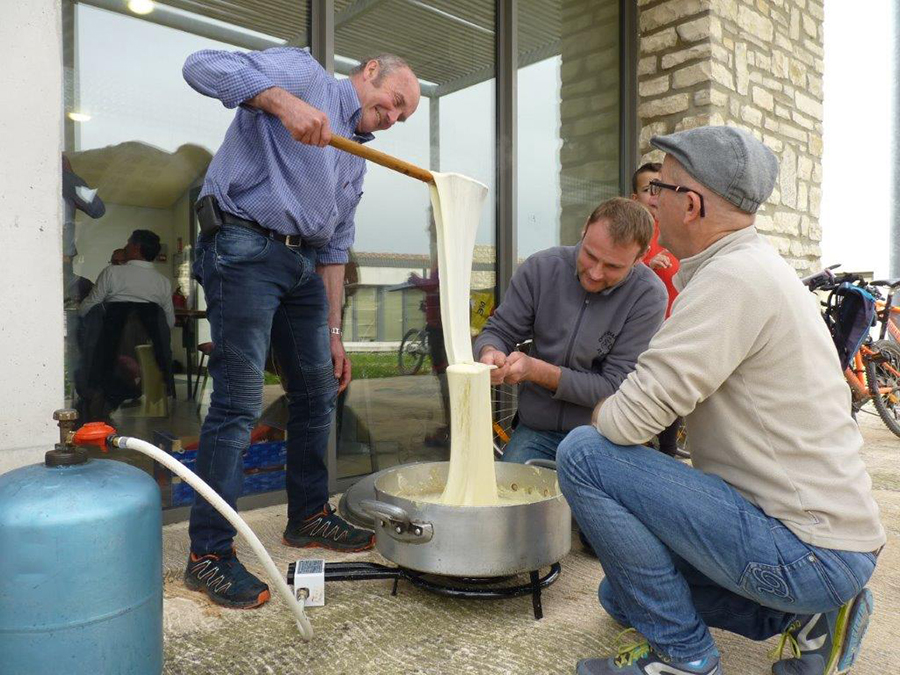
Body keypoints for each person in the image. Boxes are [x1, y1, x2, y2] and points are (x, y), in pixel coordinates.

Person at [557, 127, 884, 675]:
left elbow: (626, 422)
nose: (651, 200)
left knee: (583, 454)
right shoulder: (753, 266)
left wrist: (596, 406)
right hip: (826, 542)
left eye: (659, 187)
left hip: (807, 549)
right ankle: (816, 615)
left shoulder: (732, 280)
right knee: (620, 594)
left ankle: (683, 657)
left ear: (690, 204)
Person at [181, 47, 421, 609]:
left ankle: (309, 516)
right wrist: (281, 103)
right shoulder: (303, 75)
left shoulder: (355, 157)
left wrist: (335, 335)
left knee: (317, 391)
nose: (392, 117)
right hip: (241, 243)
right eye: (393, 102)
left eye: (402, 116)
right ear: (369, 71)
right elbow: (199, 66)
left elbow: (336, 249)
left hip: (301, 265)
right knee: (240, 401)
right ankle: (207, 555)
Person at [474, 197, 667, 464]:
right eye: (590, 255)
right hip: (537, 430)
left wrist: (536, 371)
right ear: (585, 228)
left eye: (613, 266)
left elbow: (614, 387)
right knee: (509, 488)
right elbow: (499, 331)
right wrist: (490, 351)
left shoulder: (649, 296)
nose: (595, 273)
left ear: (640, 257)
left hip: (604, 437)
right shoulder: (541, 268)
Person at [631, 162, 682, 456]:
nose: (655, 195)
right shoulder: (633, 231)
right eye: (648, 189)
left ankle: (667, 451)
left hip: (672, 323)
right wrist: (646, 265)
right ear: (634, 197)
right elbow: (618, 269)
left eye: (659, 188)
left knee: (670, 388)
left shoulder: (673, 231)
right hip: (641, 328)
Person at [79, 229, 175, 329]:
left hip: (113, 336)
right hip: (150, 338)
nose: (125, 247)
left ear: (136, 248)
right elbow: (170, 322)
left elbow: (88, 307)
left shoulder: (111, 272)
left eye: (128, 243)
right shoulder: (164, 282)